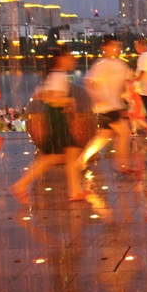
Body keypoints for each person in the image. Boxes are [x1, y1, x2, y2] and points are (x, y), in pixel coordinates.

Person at [9, 50, 88, 203]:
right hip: (57, 119)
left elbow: (39, 94)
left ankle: (75, 190)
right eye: (69, 57)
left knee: (65, 154)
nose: (72, 59)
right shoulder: (58, 75)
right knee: (58, 155)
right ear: (60, 59)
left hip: (56, 118)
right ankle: (21, 185)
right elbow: (52, 98)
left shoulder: (54, 74)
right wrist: (69, 101)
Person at [74, 36, 133, 174]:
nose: (116, 49)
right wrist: (98, 98)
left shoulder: (121, 64)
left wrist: (127, 94)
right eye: (113, 46)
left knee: (103, 137)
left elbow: (126, 82)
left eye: (117, 46)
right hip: (106, 107)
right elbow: (88, 81)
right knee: (124, 133)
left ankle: (80, 161)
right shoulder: (100, 64)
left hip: (116, 105)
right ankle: (121, 164)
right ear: (104, 48)